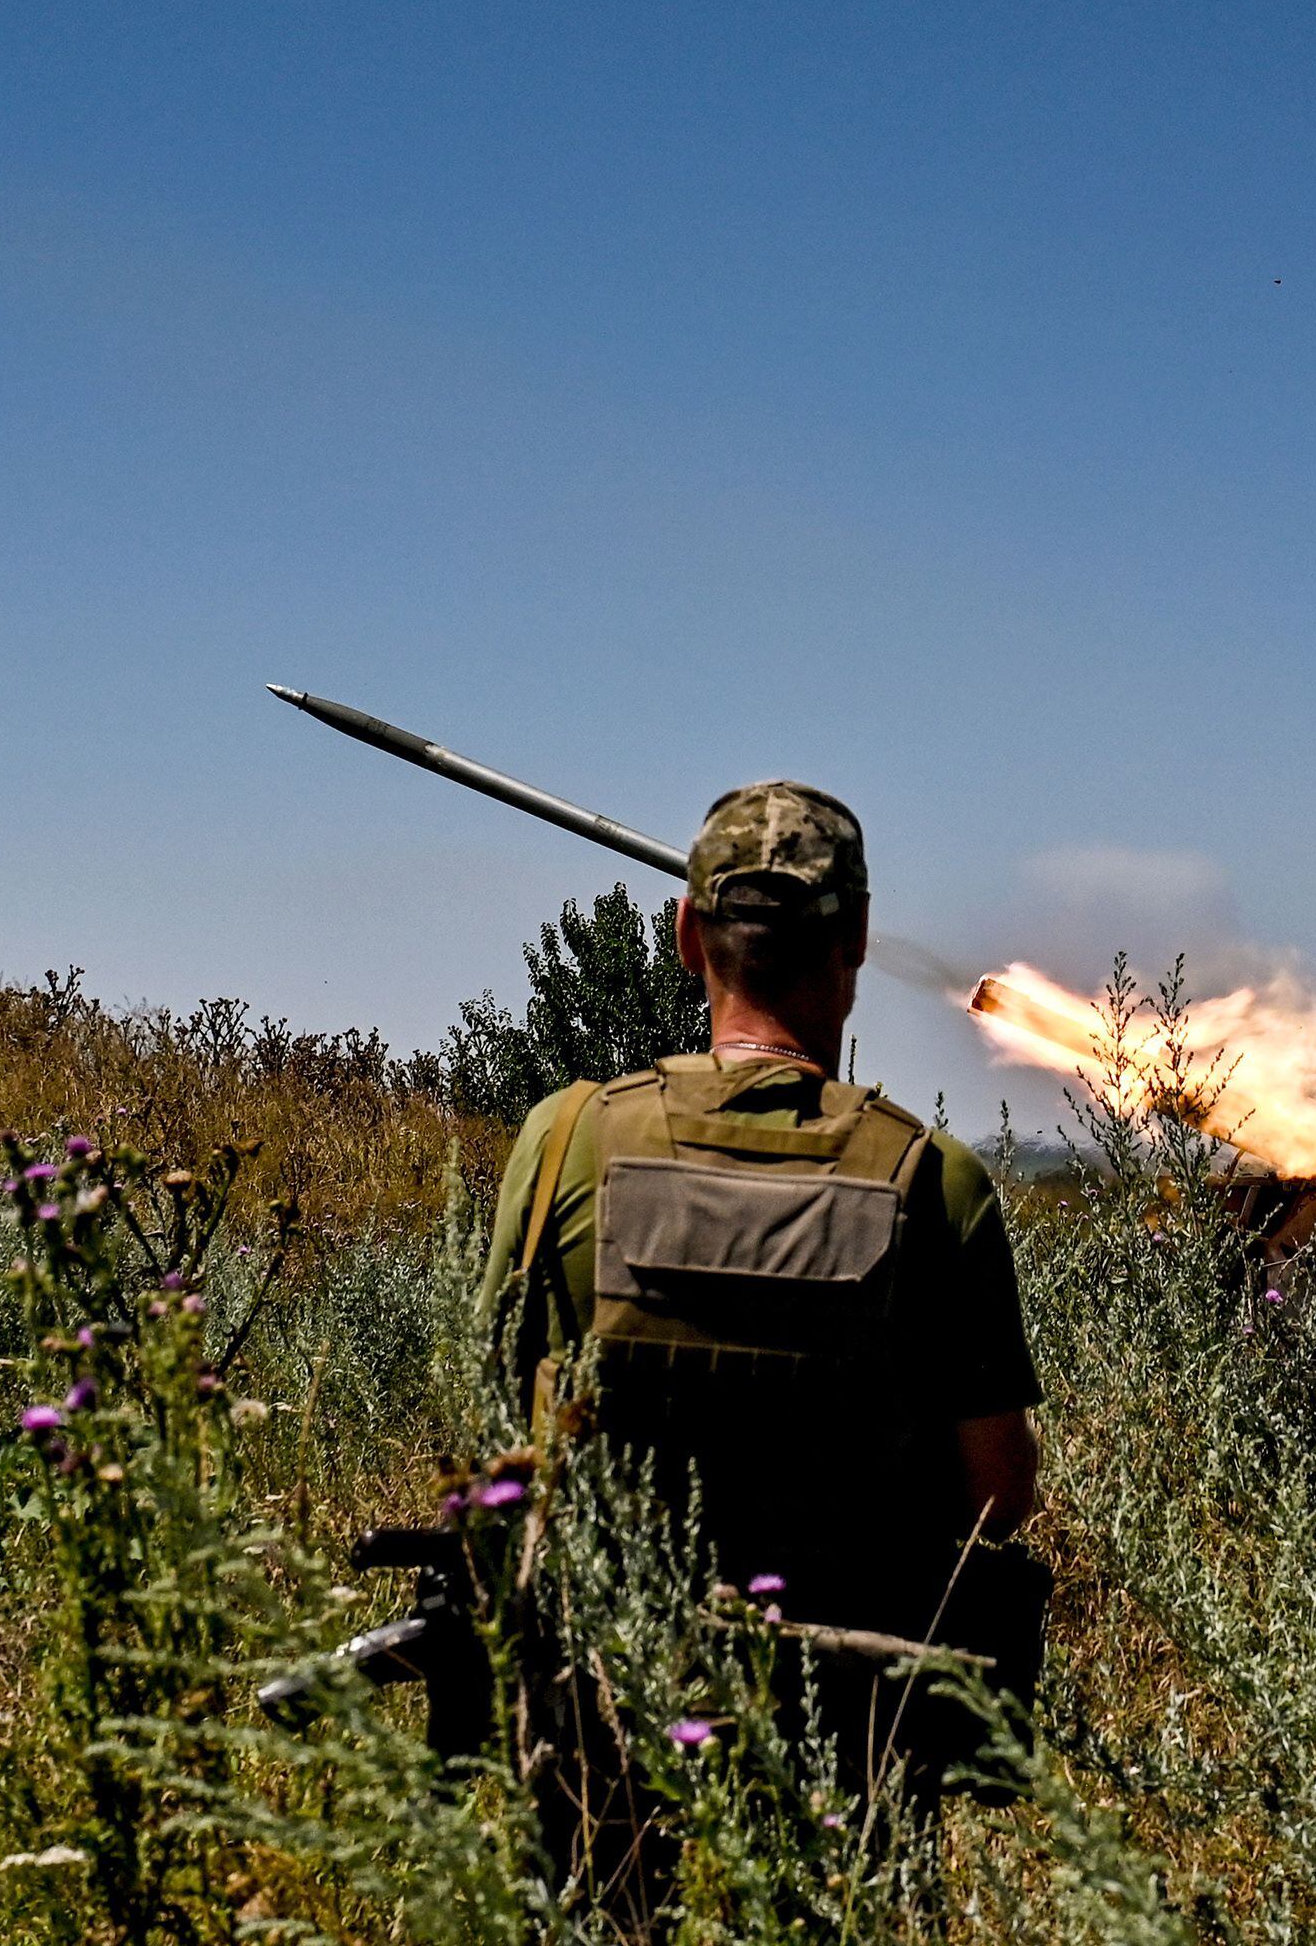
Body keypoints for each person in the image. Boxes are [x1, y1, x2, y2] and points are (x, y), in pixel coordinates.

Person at [479, 780, 1045, 1893]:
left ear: (688, 934)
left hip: (607, 1724)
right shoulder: (938, 1185)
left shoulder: (565, 1143)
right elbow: (995, 1493)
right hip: (849, 1748)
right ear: (861, 943)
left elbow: (509, 1399)